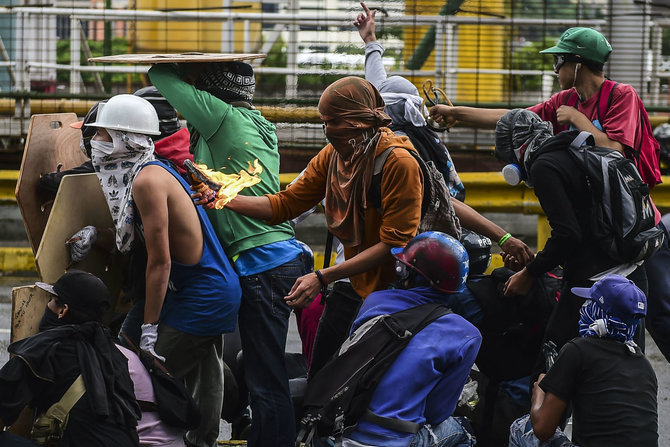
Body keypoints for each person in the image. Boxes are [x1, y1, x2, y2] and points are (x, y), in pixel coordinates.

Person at [211, 75, 425, 379]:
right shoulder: (335, 156)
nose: (327, 131)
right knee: (323, 376)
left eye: (334, 122)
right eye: (324, 122)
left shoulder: (398, 163)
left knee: (369, 380)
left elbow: (395, 244)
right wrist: (225, 198)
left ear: (358, 122)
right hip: (352, 282)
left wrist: (322, 277)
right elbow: (285, 204)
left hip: (394, 291)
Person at [149, 61, 306, 447]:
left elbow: (159, 76)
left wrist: (187, 67)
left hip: (263, 262)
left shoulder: (222, 116)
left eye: (200, 87)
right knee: (251, 368)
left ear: (211, 91)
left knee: (266, 378)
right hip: (278, 257)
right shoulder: (253, 122)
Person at [71, 93, 242, 447]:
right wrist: (96, 236)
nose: (96, 143)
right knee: (201, 366)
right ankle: (203, 437)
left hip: (202, 292)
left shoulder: (147, 180)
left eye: (103, 135)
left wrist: (150, 330)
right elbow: (137, 237)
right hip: (193, 288)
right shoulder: (145, 170)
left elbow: (159, 260)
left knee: (139, 375)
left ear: (125, 139)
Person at [353, 1, 535, 268]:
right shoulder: (412, 127)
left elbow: (440, 200)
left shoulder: (401, 148)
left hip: (427, 238)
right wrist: (371, 41)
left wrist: (503, 236)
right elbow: (380, 84)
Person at [493, 109, 647, 373]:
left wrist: (529, 273)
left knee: (552, 366)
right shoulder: (573, 149)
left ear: (516, 149)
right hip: (631, 275)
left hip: (595, 283)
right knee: (627, 363)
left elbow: (568, 235)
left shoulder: (543, 166)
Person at [342, 231, 481, 447]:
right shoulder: (467, 334)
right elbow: (437, 413)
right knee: (463, 431)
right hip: (399, 439)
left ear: (408, 275)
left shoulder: (374, 301)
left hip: (345, 427)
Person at [509, 274, 658, 446]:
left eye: (589, 302)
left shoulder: (578, 350)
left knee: (520, 429)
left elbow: (543, 429)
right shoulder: (643, 364)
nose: (584, 307)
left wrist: (538, 394)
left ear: (598, 311)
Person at [0, 270, 141, 446]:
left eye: (51, 300)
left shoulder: (43, 351)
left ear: (62, 311)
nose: (47, 305)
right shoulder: (114, 356)